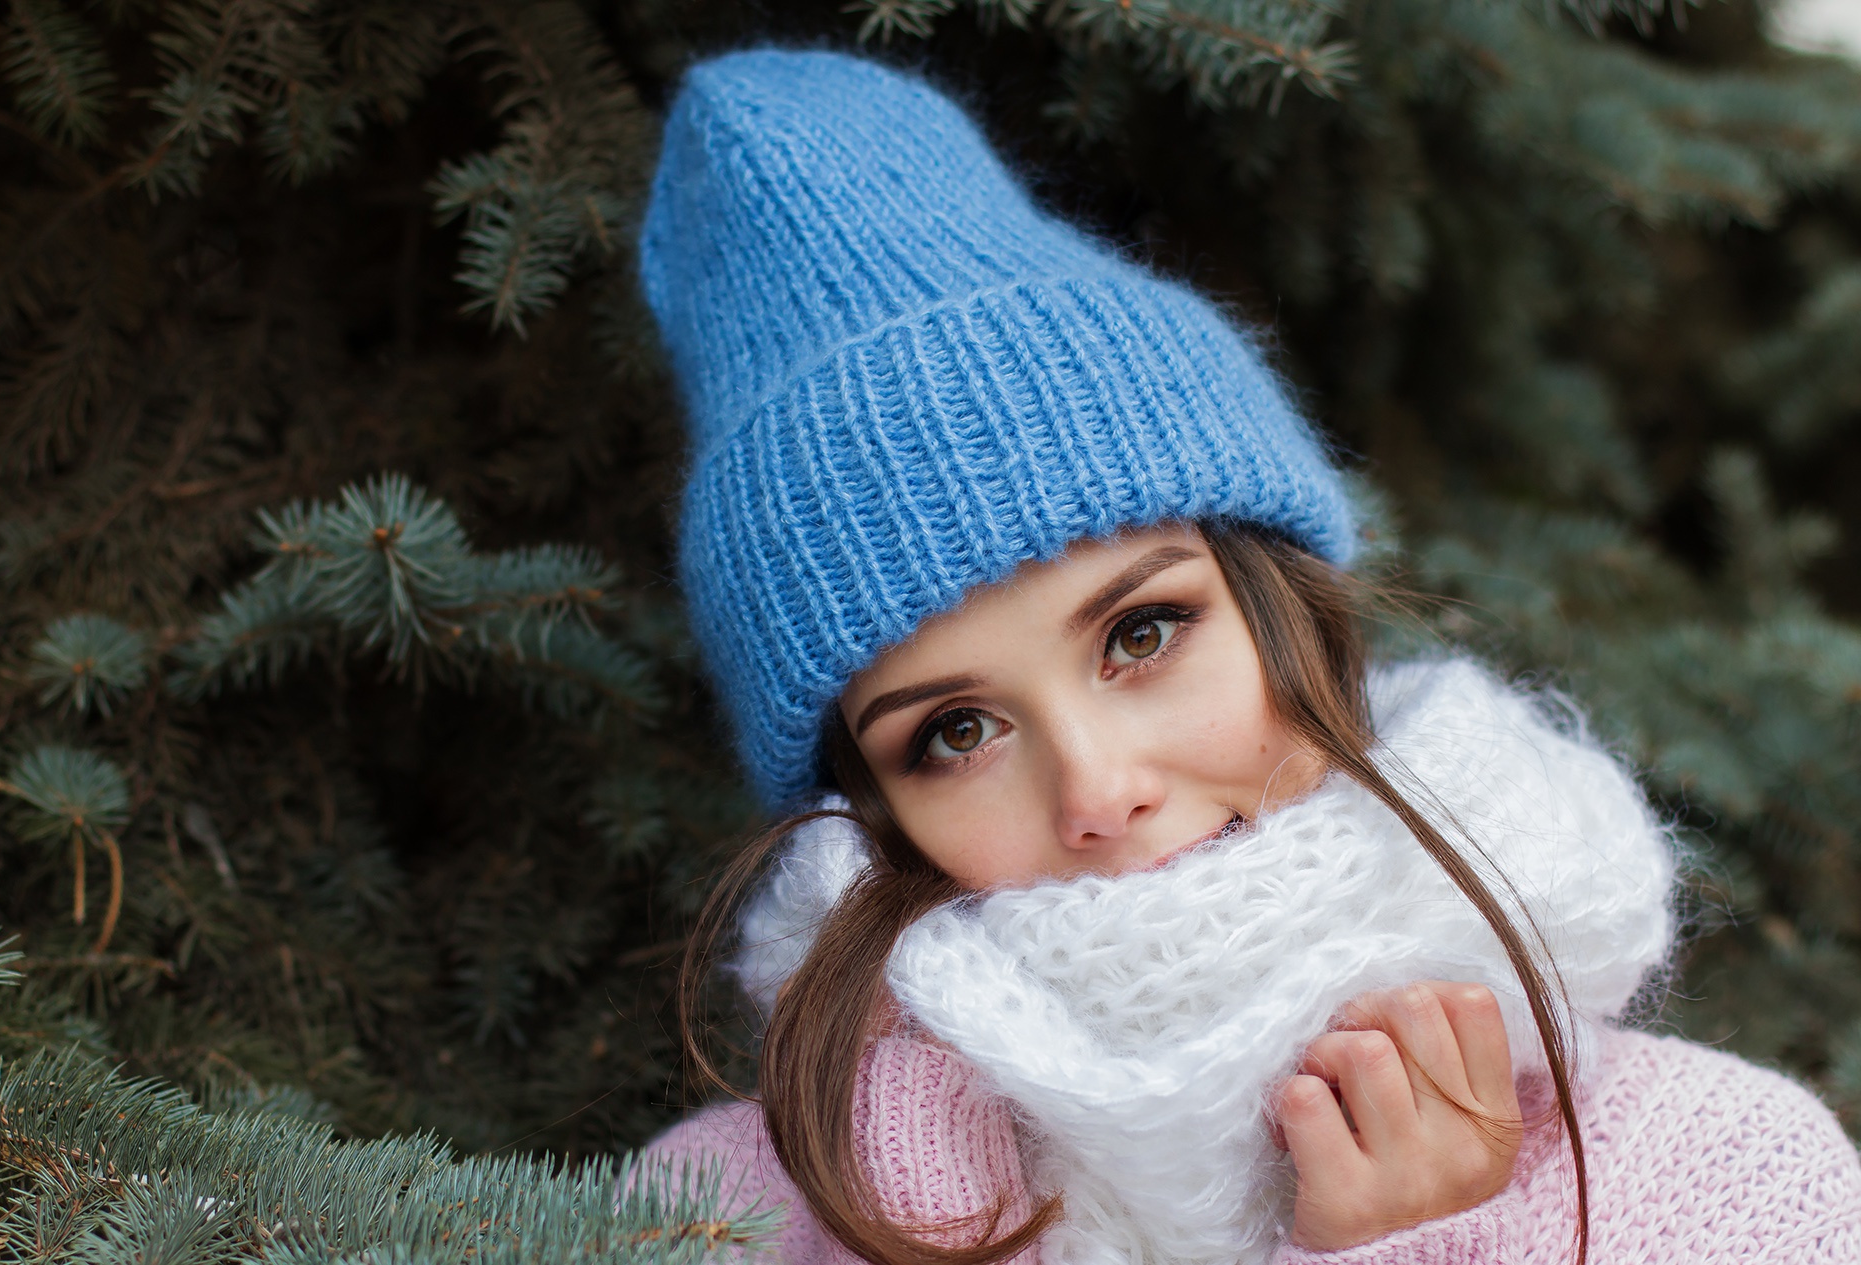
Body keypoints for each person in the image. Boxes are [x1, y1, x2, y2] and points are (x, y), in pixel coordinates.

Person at [637, 48, 1861, 1265]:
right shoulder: (712, 1216)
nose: (1097, 788)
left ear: (1284, 605)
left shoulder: (1720, 1170)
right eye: (952, 733)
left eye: (1140, 632)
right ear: (863, 804)